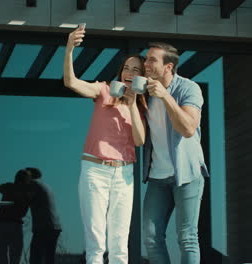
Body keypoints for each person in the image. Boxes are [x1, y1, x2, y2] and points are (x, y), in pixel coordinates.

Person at [64, 25, 147, 264]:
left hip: (124, 174)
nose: (129, 73)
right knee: (96, 242)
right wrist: (69, 48)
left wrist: (132, 104)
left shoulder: (140, 107)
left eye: (136, 70)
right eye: (126, 68)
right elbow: (71, 82)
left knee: (120, 245)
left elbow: (139, 141)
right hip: (95, 171)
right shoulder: (103, 91)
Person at [142, 42, 209, 264]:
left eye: (152, 60)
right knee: (151, 237)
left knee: (187, 237)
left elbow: (188, 128)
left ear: (168, 66)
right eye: (146, 59)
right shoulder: (145, 92)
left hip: (187, 175)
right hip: (157, 177)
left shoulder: (189, 89)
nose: (146, 64)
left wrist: (165, 96)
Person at [0, 169, 31, 264]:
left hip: (1, 223)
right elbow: (23, 213)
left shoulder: (8, 186)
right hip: (15, 224)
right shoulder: (26, 193)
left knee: (1, 253)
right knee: (15, 254)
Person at [26, 167, 62, 264]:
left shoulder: (33, 184)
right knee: (49, 257)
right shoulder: (44, 185)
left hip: (44, 226)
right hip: (54, 225)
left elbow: (24, 199)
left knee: (35, 257)